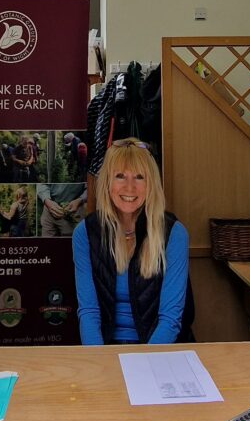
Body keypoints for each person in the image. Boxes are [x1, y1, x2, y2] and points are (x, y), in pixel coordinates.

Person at [72, 138, 190, 344]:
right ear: (107, 182)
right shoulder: (86, 233)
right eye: (120, 176)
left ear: (151, 183)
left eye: (139, 177)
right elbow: (89, 313)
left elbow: (170, 320)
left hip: (158, 351)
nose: (129, 187)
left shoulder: (174, 233)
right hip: (105, 350)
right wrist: (101, 364)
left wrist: (144, 366)